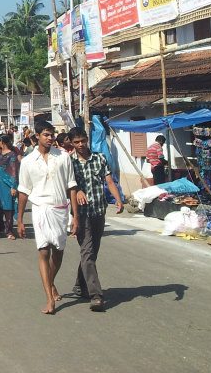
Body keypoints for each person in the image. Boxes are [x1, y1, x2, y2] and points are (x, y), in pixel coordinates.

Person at [17, 124, 79, 315]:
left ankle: (50, 283)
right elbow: (23, 191)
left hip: (60, 209)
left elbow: (72, 187)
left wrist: (75, 216)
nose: (50, 138)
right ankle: (49, 298)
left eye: (52, 135)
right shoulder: (28, 161)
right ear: (37, 136)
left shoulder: (63, 157)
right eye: (46, 135)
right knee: (43, 251)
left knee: (58, 252)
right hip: (40, 209)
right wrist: (19, 220)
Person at [70, 127, 124, 312]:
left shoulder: (99, 158)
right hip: (81, 215)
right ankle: (96, 295)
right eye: (76, 142)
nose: (80, 145)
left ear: (87, 140)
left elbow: (109, 181)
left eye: (83, 141)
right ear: (71, 143)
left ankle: (80, 284)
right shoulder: (69, 162)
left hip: (98, 211)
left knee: (92, 253)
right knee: (87, 251)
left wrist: (118, 199)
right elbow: (68, 186)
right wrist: (77, 190)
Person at [0, 134, 20, 239]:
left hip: (8, 184)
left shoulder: (12, 155)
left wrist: (13, 186)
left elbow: (14, 171)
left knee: (8, 207)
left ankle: (9, 231)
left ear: (3, 142)